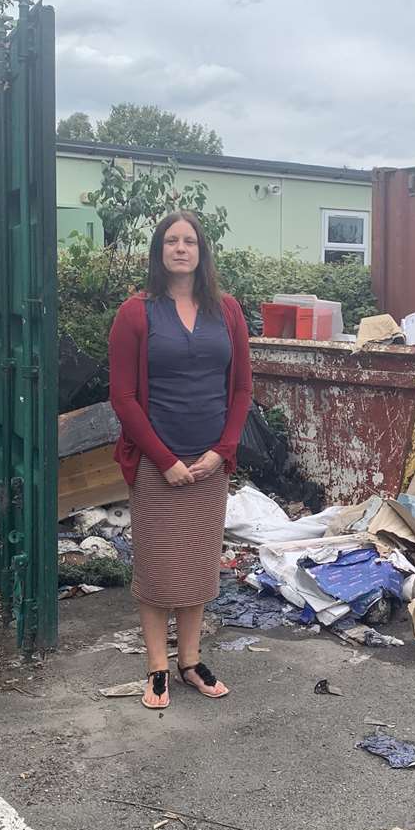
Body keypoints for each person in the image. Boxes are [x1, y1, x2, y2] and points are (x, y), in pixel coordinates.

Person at [108, 211, 253, 710]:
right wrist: (164, 459)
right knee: (155, 569)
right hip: (156, 465)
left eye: (189, 240)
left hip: (210, 465)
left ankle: (189, 662)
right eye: (171, 240)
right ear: (159, 251)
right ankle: (156, 669)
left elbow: (241, 389)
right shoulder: (135, 313)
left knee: (196, 567)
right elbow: (123, 398)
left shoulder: (227, 312)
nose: (181, 248)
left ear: (201, 251)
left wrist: (222, 451)